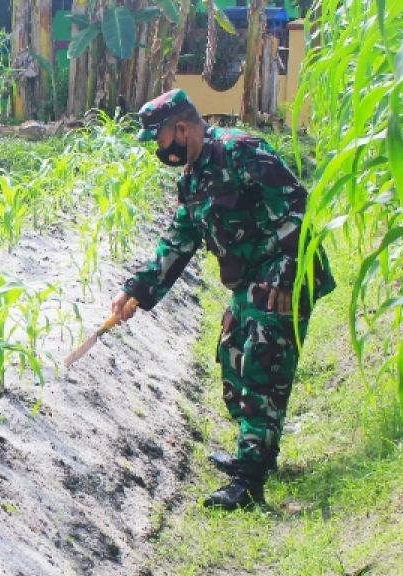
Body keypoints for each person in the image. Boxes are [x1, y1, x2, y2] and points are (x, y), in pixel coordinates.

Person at [109, 89, 335, 511]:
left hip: (286, 273)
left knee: (260, 363)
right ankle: (256, 448)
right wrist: (136, 290)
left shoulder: (241, 151)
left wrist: (287, 275)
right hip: (251, 279)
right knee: (232, 359)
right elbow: (179, 240)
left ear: (181, 128)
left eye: (159, 140)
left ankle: (250, 482)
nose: (160, 151)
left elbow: (299, 208)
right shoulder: (193, 179)